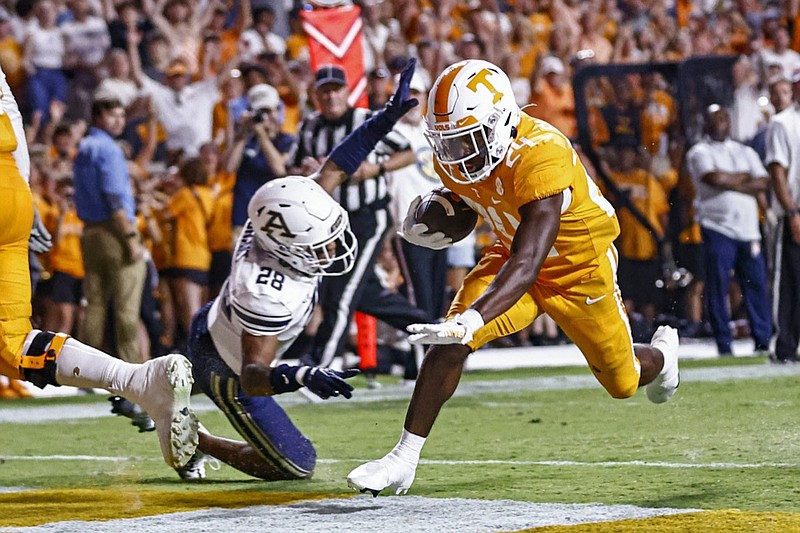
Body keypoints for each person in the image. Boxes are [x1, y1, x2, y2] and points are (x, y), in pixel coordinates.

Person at [347, 59, 680, 496]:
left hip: (576, 269)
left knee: (624, 383)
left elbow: (529, 262)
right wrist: (432, 215)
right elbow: (469, 200)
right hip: (509, 256)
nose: (458, 154)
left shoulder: (544, 152)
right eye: (450, 143)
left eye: (469, 140)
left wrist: (474, 317)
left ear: (501, 121)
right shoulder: (459, 154)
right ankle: (403, 459)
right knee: (450, 341)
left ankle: (661, 357)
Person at [174, 60, 421, 480]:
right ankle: (193, 438)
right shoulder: (266, 289)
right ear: (289, 247)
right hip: (229, 366)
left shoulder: (282, 218)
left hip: (219, 326)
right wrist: (302, 374)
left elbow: (339, 164)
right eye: (319, 242)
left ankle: (155, 388)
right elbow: (253, 376)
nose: (330, 247)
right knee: (297, 464)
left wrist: (384, 119)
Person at [0, 64, 198, 468]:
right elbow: (12, 112)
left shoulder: (95, 148)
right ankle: (137, 381)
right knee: (14, 345)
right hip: (11, 193)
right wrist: (22, 193)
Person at [290, 64, 428, 370]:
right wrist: (306, 172)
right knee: (362, 294)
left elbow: (407, 152)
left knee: (339, 295)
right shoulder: (309, 127)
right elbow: (292, 166)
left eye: (336, 89)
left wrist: (373, 170)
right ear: (316, 95)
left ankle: (320, 363)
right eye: (324, 91)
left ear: (346, 92)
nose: (330, 97)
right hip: (329, 223)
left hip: (367, 216)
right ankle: (431, 330)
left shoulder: (363, 120)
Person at [685, 104, 772, 356]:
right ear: (707, 123)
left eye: (724, 118)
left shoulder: (744, 150)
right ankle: (724, 342)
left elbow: (763, 180)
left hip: (748, 229)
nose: (722, 122)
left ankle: (763, 338)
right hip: (717, 226)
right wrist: (745, 179)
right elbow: (713, 179)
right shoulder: (699, 151)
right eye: (716, 119)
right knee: (718, 285)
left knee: (756, 283)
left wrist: (732, 181)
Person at [765, 73, 800, 364]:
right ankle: (786, 346)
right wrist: (792, 212)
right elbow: (778, 172)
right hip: (795, 213)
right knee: (789, 281)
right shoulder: (783, 122)